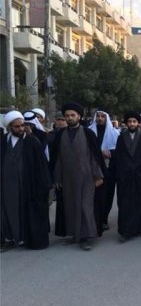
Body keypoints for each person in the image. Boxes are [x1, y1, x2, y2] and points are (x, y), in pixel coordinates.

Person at [50, 103, 106, 251]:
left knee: (85, 206)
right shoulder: (60, 135)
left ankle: (86, 237)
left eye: (72, 115)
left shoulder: (88, 134)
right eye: (67, 116)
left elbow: (95, 156)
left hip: (87, 178)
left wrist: (98, 176)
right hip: (67, 179)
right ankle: (74, 234)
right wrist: (57, 178)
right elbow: (57, 159)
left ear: (79, 117)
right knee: (70, 207)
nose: (69, 118)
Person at [1, 111, 51, 252]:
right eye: (17, 126)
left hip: (27, 185)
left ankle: (26, 237)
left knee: (27, 211)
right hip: (6, 186)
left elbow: (41, 166)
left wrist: (44, 185)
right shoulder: (3, 141)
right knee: (7, 212)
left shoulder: (32, 141)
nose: (21, 129)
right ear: (10, 127)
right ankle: (9, 238)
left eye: (22, 125)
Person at [114, 111, 141, 242]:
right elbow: (118, 157)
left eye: (134, 121)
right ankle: (125, 231)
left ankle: (139, 227)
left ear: (138, 123)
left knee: (140, 204)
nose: (132, 124)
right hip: (125, 178)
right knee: (125, 204)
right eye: (129, 121)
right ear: (126, 123)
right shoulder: (121, 138)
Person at [89, 110, 120, 230]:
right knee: (94, 195)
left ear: (106, 119)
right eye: (98, 116)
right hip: (93, 169)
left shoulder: (115, 133)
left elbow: (120, 150)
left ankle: (104, 219)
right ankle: (94, 219)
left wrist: (110, 153)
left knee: (108, 195)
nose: (100, 118)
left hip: (109, 169)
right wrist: (98, 153)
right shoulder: (89, 132)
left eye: (102, 116)